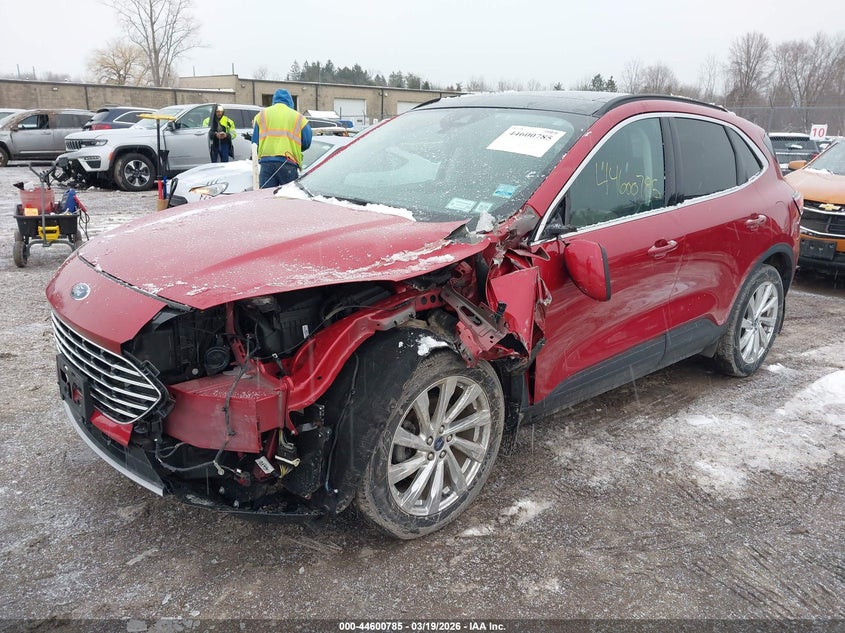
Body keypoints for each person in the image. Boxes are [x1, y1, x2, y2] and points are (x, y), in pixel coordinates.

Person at [252, 89, 312, 188]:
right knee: (288, 197)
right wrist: (295, 147)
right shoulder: (298, 117)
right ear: (290, 101)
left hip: (266, 162)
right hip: (288, 162)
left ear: (274, 100)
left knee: (266, 198)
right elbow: (306, 142)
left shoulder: (261, 115)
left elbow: (254, 142)